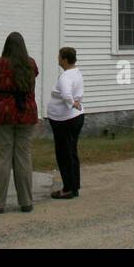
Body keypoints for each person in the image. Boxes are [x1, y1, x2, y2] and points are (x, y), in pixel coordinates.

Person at [0, 31, 39, 214]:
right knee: (23, 156)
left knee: (3, 157)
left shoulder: (0, 63)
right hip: (26, 112)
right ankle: (26, 201)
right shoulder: (30, 63)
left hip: (4, 113)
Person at [47, 46, 85, 199]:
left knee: (64, 154)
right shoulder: (77, 72)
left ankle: (68, 188)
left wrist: (72, 103)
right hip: (75, 118)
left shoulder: (65, 77)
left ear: (64, 59)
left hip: (65, 120)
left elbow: (65, 93)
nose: (57, 58)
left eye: (59, 56)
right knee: (72, 152)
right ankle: (74, 185)